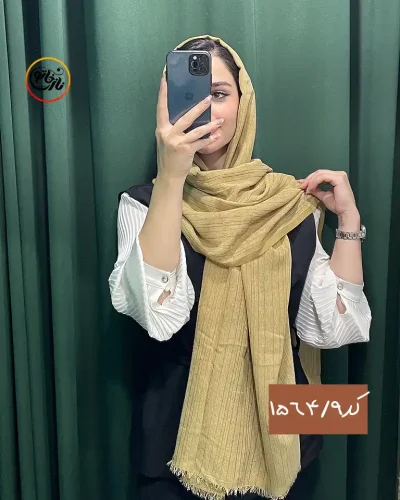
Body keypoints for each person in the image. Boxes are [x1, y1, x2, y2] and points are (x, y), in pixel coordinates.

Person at [109, 35, 372, 500]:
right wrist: (172, 175)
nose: (205, 108)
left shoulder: (290, 203)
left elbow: (335, 330)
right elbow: (157, 316)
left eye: (220, 93)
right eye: (190, 94)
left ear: (243, 102)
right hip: (179, 437)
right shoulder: (142, 203)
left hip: (286, 432)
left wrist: (348, 220)